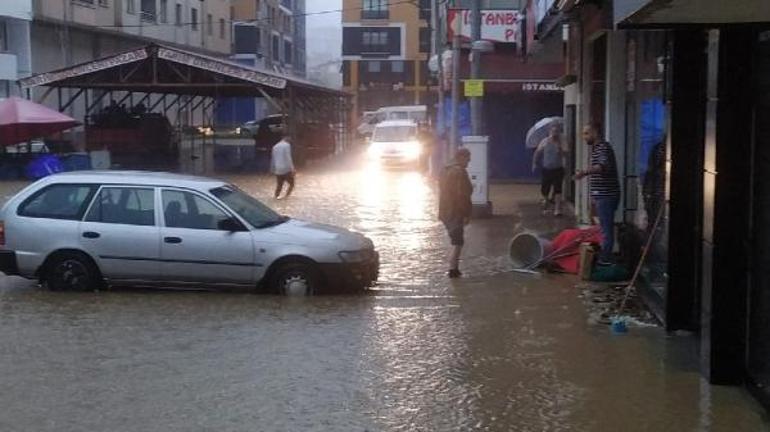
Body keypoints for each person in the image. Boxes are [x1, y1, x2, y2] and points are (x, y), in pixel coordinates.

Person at [574, 124, 620, 265]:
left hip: (606, 195)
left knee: (606, 229)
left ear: (595, 132)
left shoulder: (602, 148)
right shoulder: (598, 148)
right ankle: (605, 256)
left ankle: (605, 259)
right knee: (604, 227)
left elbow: (602, 166)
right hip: (602, 195)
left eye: (586, 133)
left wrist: (583, 173)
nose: (584, 137)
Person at [439, 148, 473, 278]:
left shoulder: (444, 169)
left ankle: (453, 267)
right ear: (461, 157)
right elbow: (461, 195)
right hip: (456, 211)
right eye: (468, 159)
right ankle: (453, 269)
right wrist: (465, 214)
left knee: (455, 239)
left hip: (445, 210)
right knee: (458, 241)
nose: (469, 162)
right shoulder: (459, 172)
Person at [532, 124, 566, 216]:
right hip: (546, 168)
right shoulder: (545, 141)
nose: (554, 133)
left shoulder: (562, 142)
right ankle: (546, 200)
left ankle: (557, 209)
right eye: (553, 131)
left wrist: (560, 148)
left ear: (559, 133)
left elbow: (565, 155)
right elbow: (537, 152)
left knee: (558, 188)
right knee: (545, 188)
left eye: (556, 132)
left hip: (558, 168)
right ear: (549, 132)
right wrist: (534, 163)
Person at [270, 134, 295, 199]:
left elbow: (273, 158)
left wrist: (272, 169)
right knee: (292, 184)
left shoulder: (275, 146)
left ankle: (276, 196)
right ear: (287, 137)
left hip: (278, 169)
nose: (291, 140)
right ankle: (286, 197)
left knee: (279, 185)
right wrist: (292, 169)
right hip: (286, 169)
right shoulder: (287, 145)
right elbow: (288, 157)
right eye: (290, 138)